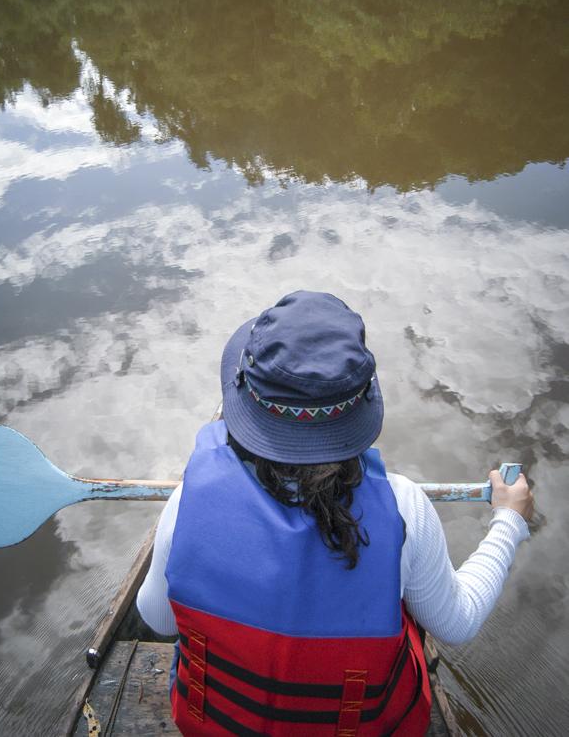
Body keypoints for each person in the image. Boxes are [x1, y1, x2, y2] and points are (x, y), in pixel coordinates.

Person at [137, 290, 533, 736]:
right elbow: (457, 622)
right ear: (357, 410)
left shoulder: (187, 500)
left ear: (246, 403)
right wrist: (509, 522)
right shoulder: (404, 508)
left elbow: (158, 619)